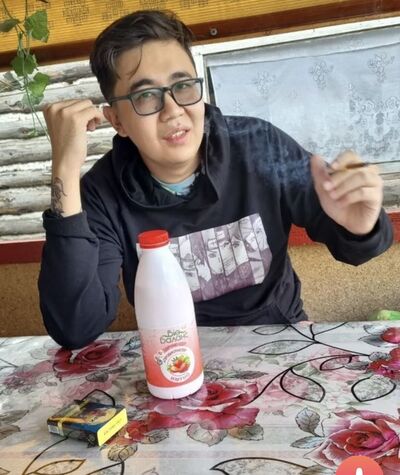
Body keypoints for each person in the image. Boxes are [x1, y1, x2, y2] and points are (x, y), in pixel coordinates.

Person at [39, 10, 393, 349]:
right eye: (146, 95)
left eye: (183, 86)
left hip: (280, 338)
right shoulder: (102, 192)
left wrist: (360, 227)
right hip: (171, 355)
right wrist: (65, 170)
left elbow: (356, 250)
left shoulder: (258, 145)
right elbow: (76, 328)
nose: (173, 110)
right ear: (117, 120)